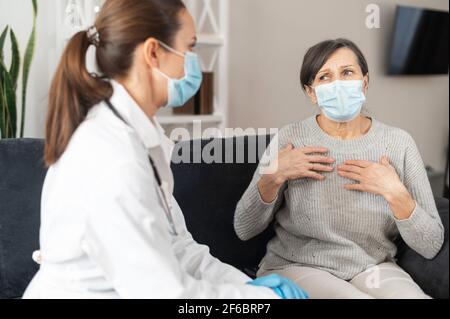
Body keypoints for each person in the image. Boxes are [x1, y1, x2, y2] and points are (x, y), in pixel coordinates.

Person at [23, 0, 307, 299]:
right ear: (154, 52)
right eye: (190, 48)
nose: (193, 61)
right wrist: (259, 301)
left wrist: (243, 286)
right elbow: (163, 293)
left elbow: (178, 245)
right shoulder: (112, 157)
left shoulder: (144, 139)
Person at [234, 38, 444, 299]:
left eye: (347, 73)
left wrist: (395, 193)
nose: (338, 84)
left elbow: (431, 243)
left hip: (373, 267)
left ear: (364, 83)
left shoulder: (399, 143)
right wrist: (274, 176)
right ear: (311, 92)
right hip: (298, 265)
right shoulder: (290, 139)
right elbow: (243, 228)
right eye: (325, 77)